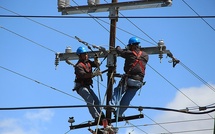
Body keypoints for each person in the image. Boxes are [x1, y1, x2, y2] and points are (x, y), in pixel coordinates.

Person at [110, 37, 149, 117]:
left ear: (132, 46)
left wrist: (117, 47)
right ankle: (119, 113)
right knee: (127, 98)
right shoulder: (145, 55)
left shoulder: (129, 53)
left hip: (130, 78)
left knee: (118, 91)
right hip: (139, 82)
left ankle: (112, 105)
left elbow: (120, 51)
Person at [66, 46, 104, 122]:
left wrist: (96, 59)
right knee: (90, 100)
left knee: (96, 100)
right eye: (84, 54)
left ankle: (101, 115)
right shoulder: (78, 66)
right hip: (80, 87)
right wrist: (93, 74)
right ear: (80, 55)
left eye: (86, 54)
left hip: (87, 86)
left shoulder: (88, 62)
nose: (86, 55)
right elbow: (83, 75)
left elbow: (96, 65)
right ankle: (96, 117)